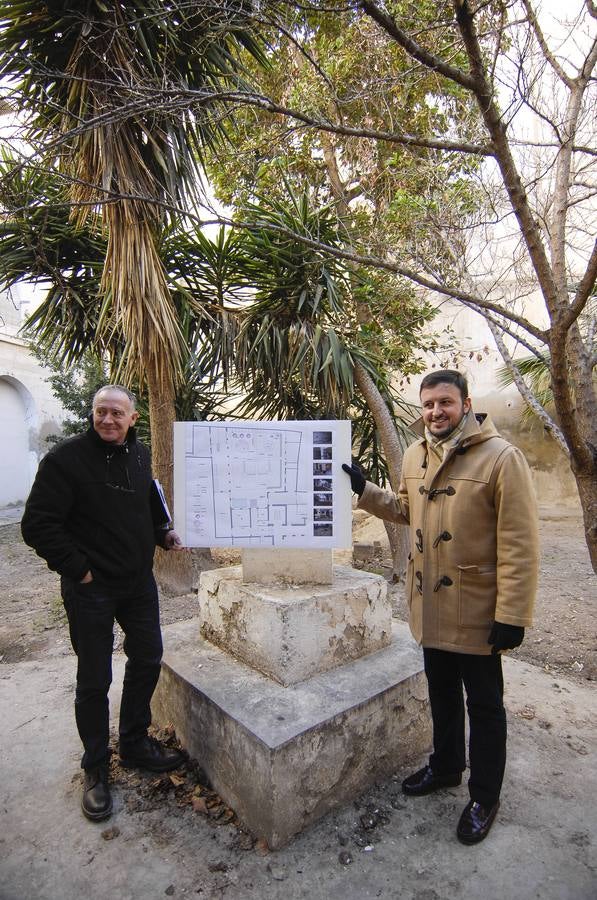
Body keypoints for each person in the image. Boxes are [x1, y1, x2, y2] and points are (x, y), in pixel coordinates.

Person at [343, 369, 538, 845]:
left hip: (476, 611)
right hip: (430, 605)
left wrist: (512, 615)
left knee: (486, 706)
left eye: (445, 403)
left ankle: (484, 796)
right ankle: (446, 767)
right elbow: (407, 509)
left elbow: (519, 544)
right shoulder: (415, 453)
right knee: (442, 694)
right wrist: (364, 491)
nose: (435, 412)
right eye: (428, 404)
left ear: (466, 404)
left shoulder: (502, 458)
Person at [21, 384, 185, 822]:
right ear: (92, 415)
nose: (108, 420)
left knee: (148, 657)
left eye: (117, 413)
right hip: (90, 589)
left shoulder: (139, 454)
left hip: (137, 583)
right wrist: (80, 569)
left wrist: (162, 534)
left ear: (133, 419)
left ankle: (133, 743)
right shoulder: (65, 461)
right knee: (94, 678)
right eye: (101, 412)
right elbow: (37, 524)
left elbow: (149, 503)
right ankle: (95, 767)